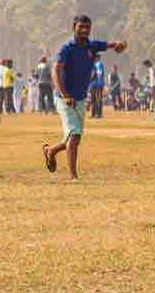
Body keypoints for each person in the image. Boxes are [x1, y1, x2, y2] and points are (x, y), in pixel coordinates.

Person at [42, 15, 126, 180]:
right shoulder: (66, 48)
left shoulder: (92, 45)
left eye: (87, 27)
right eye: (81, 27)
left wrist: (119, 45)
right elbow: (55, 72)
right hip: (64, 98)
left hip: (80, 98)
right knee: (75, 135)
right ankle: (73, 176)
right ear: (74, 28)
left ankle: (50, 151)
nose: (84, 30)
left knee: (73, 137)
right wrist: (65, 96)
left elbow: (110, 45)